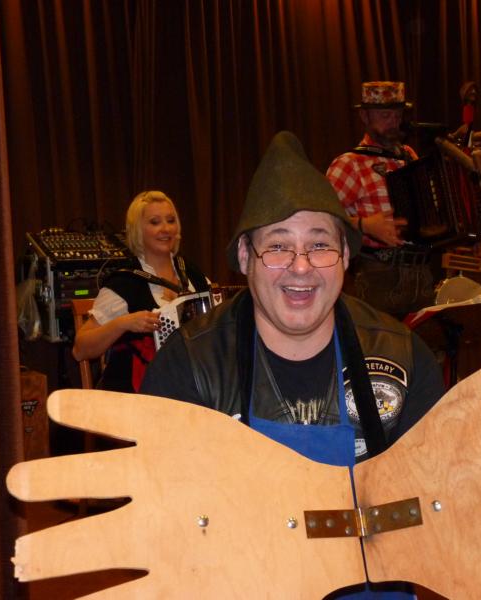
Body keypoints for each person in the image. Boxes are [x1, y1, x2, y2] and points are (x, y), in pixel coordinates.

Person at [141, 131, 445, 598]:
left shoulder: (401, 355)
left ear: (345, 256)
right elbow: (162, 524)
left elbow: (439, 503)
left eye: (320, 245)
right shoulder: (190, 365)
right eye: (278, 246)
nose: (301, 267)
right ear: (245, 256)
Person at [72, 190, 210, 393]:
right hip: (139, 393)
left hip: (190, 386)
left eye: (171, 221)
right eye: (155, 222)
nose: (166, 229)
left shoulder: (192, 274)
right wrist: (124, 323)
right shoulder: (125, 282)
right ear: (138, 230)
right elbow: (80, 349)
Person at [326, 81, 435, 317]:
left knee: (424, 340)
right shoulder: (350, 163)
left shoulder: (409, 156)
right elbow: (320, 217)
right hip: (378, 274)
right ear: (364, 116)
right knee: (379, 340)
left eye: (398, 115)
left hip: (422, 272)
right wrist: (365, 224)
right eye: (385, 115)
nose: (393, 122)